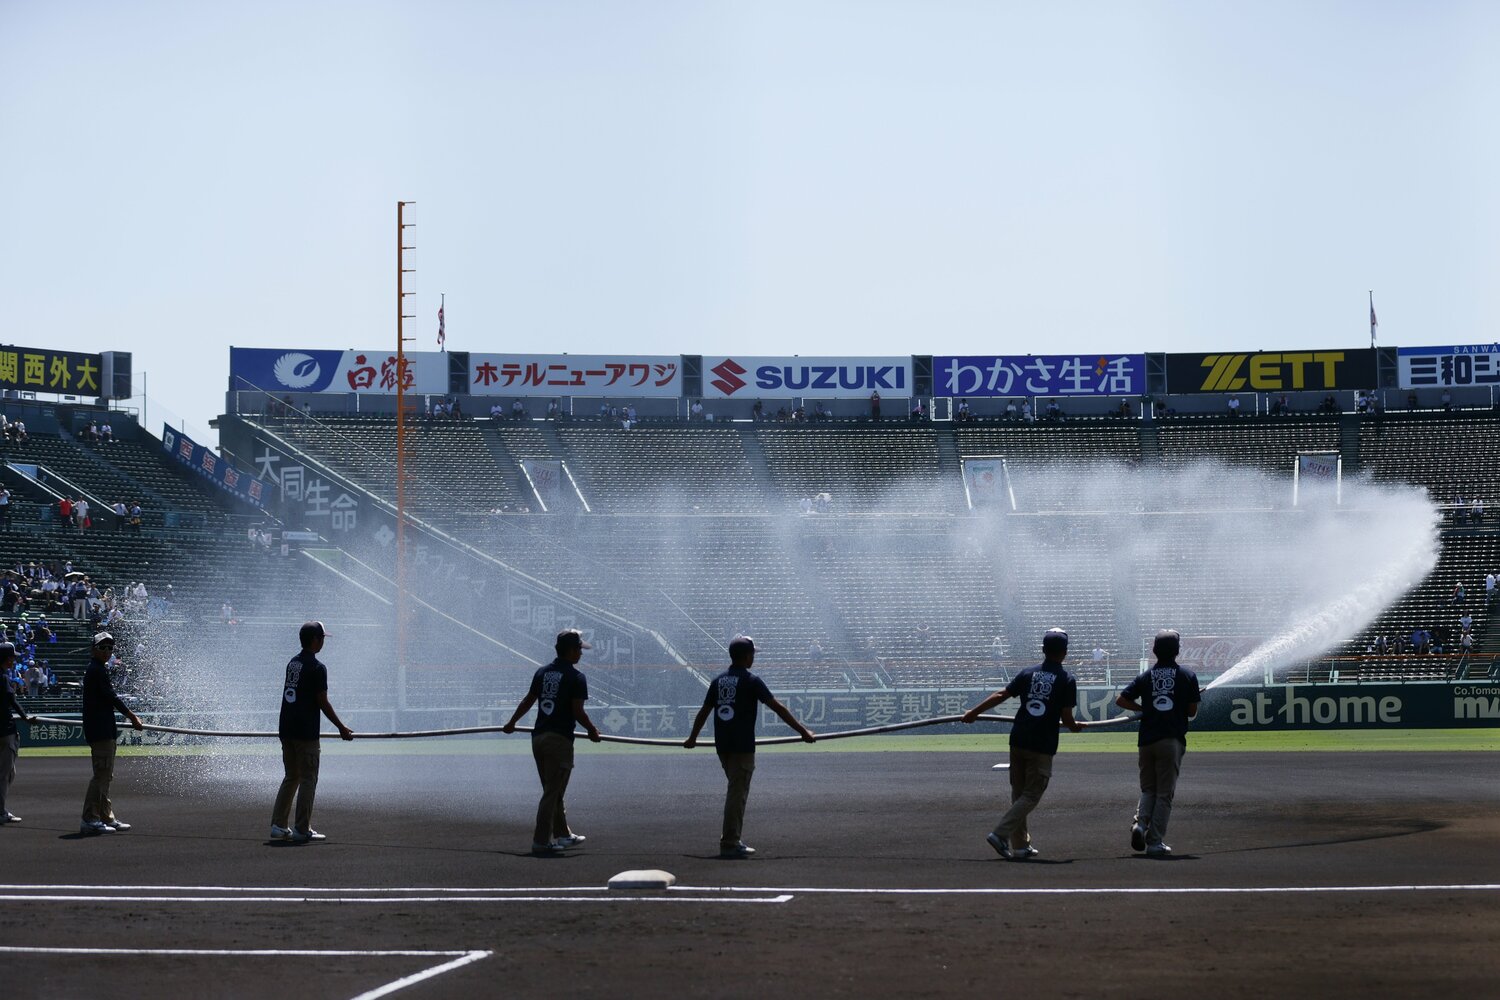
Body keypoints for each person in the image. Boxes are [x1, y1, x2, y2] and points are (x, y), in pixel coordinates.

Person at [684, 636, 815, 858]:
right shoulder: (752, 680)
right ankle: (730, 842)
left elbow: (704, 711)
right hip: (741, 747)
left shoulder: (718, 681)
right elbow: (778, 707)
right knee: (737, 794)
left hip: (723, 746)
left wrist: (693, 738)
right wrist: (803, 732)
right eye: (753, 654)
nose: (754, 658)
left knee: (736, 791)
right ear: (746, 656)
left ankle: (733, 839)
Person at [961, 627, 1084, 860]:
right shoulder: (1067, 679)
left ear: (1043, 650)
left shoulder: (1028, 673)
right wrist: (1075, 726)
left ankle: (1020, 846)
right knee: (1032, 794)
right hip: (1041, 743)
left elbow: (1001, 695)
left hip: (1018, 739)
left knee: (1019, 794)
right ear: (1065, 652)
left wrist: (973, 712)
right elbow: (1067, 718)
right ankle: (1000, 834)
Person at [503, 628, 602, 855]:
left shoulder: (542, 673)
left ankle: (563, 835)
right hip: (559, 740)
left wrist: (512, 723)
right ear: (570, 650)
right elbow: (577, 711)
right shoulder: (576, 677)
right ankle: (541, 841)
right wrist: (592, 730)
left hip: (538, 738)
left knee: (553, 790)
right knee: (552, 792)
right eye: (579, 649)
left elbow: (528, 701)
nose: (581, 653)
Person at [1115, 629, 1201, 857]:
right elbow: (1191, 711)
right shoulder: (1187, 676)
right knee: (1164, 794)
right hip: (1170, 740)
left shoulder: (1146, 676)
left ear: (1154, 651)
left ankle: (1140, 825)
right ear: (1178, 651)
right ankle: (1154, 841)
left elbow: (1121, 699)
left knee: (1148, 789)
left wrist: (1145, 708)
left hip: (1146, 741)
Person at [271, 621, 354, 843]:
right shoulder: (317, 667)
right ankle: (301, 828)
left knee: (292, 776)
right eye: (323, 638)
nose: (324, 642)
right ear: (316, 640)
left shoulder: (293, 663)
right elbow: (322, 701)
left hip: (286, 729)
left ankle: (278, 825)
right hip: (305, 732)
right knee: (308, 778)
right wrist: (341, 727)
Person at [80, 632, 142, 834]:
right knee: (101, 775)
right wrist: (132, 716)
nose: (107, 651)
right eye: (103, 647)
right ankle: (90, 819)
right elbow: (111, 697)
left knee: (106, 776)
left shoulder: (99, 670)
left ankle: (106, 817)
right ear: (93, 649)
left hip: (105, 730)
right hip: (100, 732)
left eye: (110, 648)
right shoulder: (95, 670)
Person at [1, 642, 32, 823]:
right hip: (5, 732)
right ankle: (0, 811)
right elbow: (11, 700)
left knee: (6, 773)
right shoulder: (3, 677)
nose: (14, 660)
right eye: (12, 657)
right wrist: (25, 717)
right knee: (5, 774)